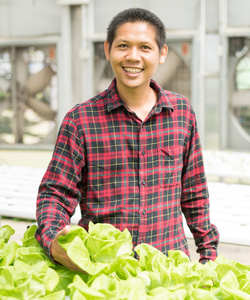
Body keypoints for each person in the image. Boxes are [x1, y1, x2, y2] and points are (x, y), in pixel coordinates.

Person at [35, 7, 219, 272]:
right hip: (104, 272)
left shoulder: (182, 113)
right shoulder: (81, 120)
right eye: (123, 46)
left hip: (168, 271)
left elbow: (194, 192)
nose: (133, 57)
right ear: (108, 50)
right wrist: (53, 238)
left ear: (162, 54)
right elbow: (55, 193)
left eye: (145, 47)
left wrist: (207, 253)